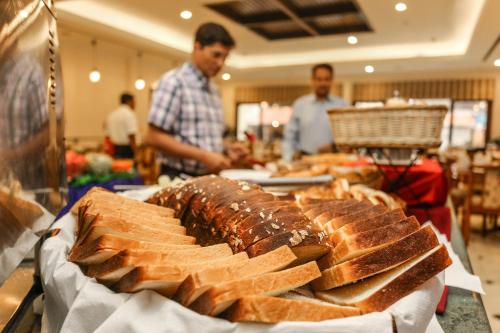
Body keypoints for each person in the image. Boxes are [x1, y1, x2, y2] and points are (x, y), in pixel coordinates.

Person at [146, 22, 246, 178]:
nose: (220, 63)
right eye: (216, 55)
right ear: (197, 47)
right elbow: (153, 138)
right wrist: (204, 156)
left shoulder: (214, 90)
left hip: (208, 177)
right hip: (178, 177)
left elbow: (203, 139)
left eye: (225, 57)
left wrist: (227, 149)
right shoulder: (174, 82)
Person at [282, 64, 348, 161]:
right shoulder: (300, 104)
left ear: (332, 81)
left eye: (327, 79)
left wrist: (334, 147)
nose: (323, 83)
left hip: (332, 160)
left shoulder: (342, 105)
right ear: (312, 80)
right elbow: (289, 137)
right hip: (304, 161)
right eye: (319, 79)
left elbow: (347, 137)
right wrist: (288, 159)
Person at [107, 93, 138, 159]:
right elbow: (131, 135)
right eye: (134, 102)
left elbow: (108, 135)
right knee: (127, 168)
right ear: (129, 101)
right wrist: (136, 152)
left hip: (114, 148)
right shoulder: (129, 114)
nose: (135, 104)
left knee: (117, 167)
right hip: (127, 149)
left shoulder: (112, 114)